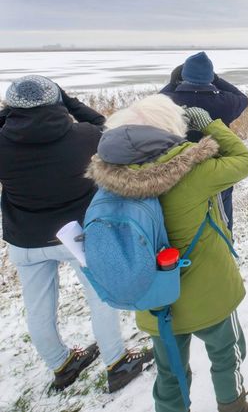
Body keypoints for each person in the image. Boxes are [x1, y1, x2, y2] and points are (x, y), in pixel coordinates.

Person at [87, 94, 248, 412]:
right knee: (227, 356)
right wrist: (211, 124)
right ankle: (235, 407)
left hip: (154, 296)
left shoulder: (110, 177)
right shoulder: (194, 170)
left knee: (169, 373)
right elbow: (245, 160)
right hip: (210, 294)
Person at [0, 75, 153, 393]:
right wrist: (68, 102)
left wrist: (10, 113)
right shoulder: (84, 136)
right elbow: (108, 127)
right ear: (57, 102)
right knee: (101, 297)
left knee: (38, 307)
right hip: (77, 235)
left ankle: (61, 364)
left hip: (25, 238)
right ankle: (116, 362)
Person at [160, 51, 248, 233]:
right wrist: (216, 79)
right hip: (217, 166)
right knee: (222, 212)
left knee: (180, 214)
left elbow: (154, 101)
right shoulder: (224, 103)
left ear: (183, 76)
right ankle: (225, 243)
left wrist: (172, 82)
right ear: (209, 77)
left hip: (177, 168)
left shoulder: (168, 102)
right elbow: (242, 98)